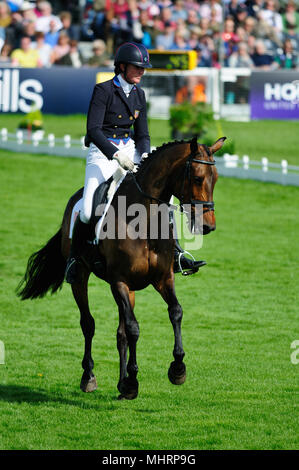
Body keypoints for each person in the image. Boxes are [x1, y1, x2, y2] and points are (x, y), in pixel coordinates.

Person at [65, 42, 204, 283]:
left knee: (165, 199)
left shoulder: (140, 94)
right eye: (137, 67)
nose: (142, 71)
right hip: (102, 153)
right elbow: (93, 130)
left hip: (130, 150)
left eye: (143, 68)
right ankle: (75, 260)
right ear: (122, 66)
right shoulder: (104, 90)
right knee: (88, 210)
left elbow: (143, 134)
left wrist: (143, 157)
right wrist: (116, 155)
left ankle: (177, 253)